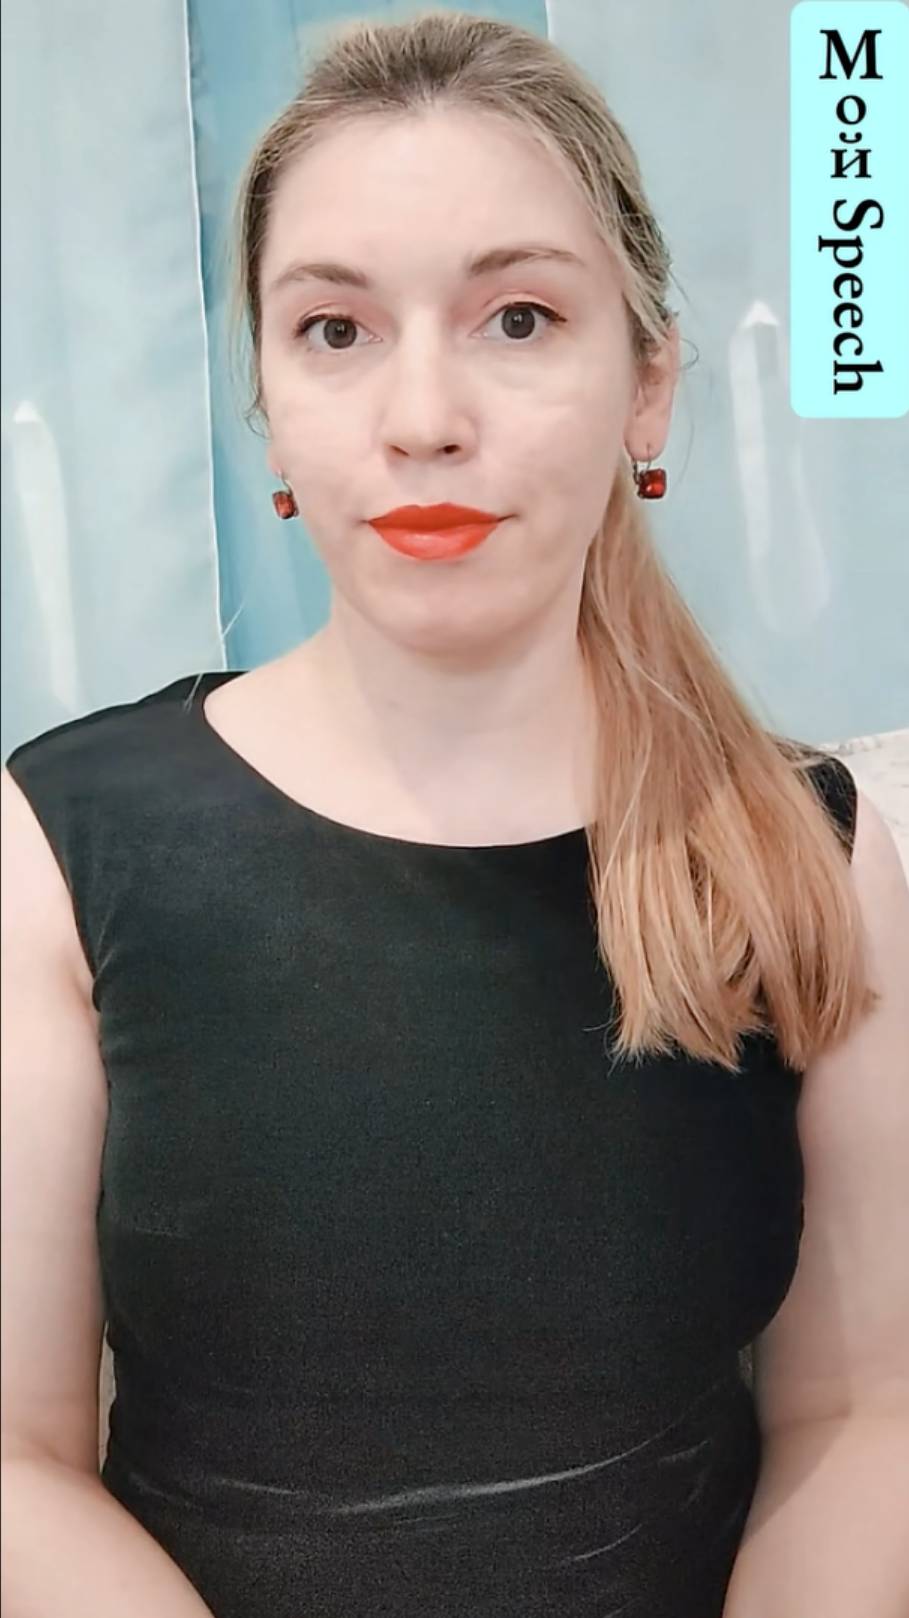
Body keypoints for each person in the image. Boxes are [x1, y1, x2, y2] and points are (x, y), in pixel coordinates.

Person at [3, 12, 908, 1618]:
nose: (422, 414)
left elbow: (859, 1410)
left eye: (517, 317)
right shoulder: (61, 845)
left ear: (646, 385)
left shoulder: (808, 851)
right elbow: (15, 1450)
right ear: (268, 403)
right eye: (333, 330)